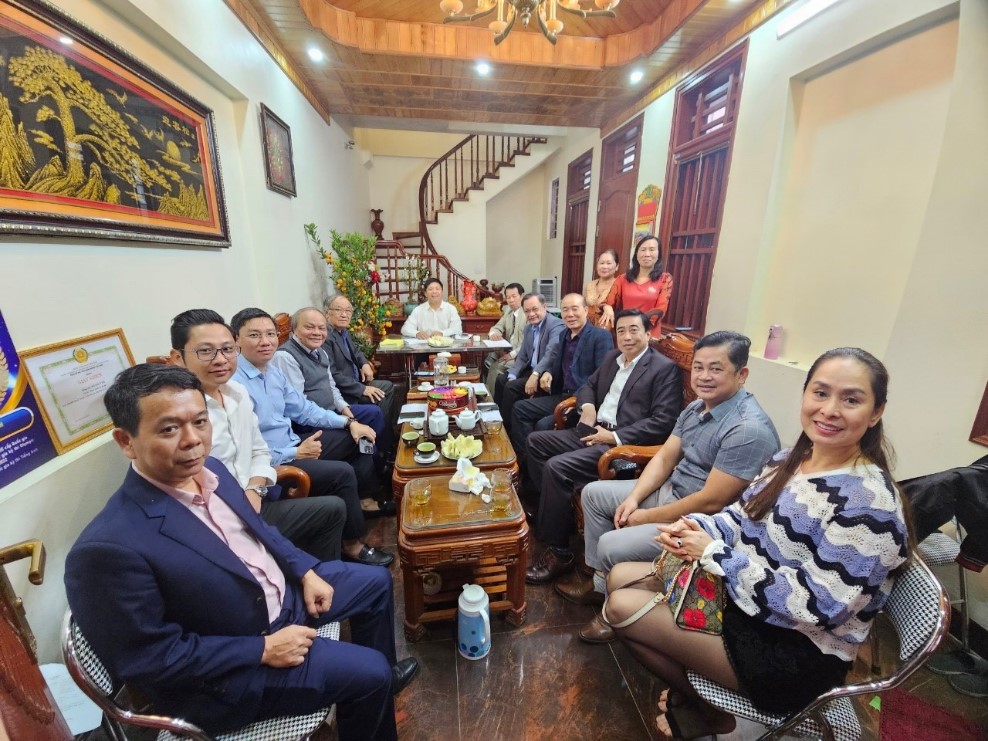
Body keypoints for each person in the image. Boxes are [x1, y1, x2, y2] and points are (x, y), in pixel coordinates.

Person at [64, 364, 418, 740]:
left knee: (375, 582)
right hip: (229, 674)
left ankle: (382, 686)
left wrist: (305, 571)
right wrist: (261, 649)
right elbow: (148, 659)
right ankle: (375, 685)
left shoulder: (211, 471)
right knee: (368, 673)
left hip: (279, 600)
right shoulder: (108, 548)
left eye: (200, 422)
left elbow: (262, 533)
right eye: (169, 429)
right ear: (126, 441)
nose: (192, 440)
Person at [604, 347, 910, 740]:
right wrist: (696, 527)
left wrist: (716, 554)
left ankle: (709, 713)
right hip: (752, 603)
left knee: (620, 607)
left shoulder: (870, 506)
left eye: (851, 400)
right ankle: (689, 691)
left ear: (876, 412)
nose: (830, 410)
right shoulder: (792, 459)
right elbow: (740, 517)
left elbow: (821, 606)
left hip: (795, 649)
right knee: (618, 576)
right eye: (820, 393)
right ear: (805, 395)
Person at [574, 330, 780, 644]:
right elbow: (665, 457)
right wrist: (634, 498)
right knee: (593, 494)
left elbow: (711, 502)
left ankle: (616, 611)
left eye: (716, 368)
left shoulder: (747, 429)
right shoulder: (697, 407)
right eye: (698, 367)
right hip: (672, 491)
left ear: (742, 375)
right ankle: (602, 587)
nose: (704, 376)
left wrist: (645, 517)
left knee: (610, 544)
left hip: (699, 522)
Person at [169, 309, 346, 561]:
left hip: (258, 490)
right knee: (334, 501)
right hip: (223, 521)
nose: (220, 359)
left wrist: (254, 490)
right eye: (206, 351)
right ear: (178, 357)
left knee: (335, 501)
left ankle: (317, 570)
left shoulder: (236, 392)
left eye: (227, 349)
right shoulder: (178, 416)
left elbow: (259, 449)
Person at [524, 310, 682, 586]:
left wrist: (614, 437)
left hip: (623, 449)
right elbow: (588, 385)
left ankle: (560, 552)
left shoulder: (663, 368)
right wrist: (587, 406)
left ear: (648, 334)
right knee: (535, 441)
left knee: (556, 467)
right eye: (621, 331)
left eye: (634, 330)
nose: (627, 336)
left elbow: (663, 422)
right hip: (593, 430)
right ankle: (554, 512)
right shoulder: (613, 358)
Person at [230, 307, 392, 567]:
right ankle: (352, 543)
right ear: (236, 339)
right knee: (342, 473)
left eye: (270, 334)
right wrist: (296, 452)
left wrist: (349, 422)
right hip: (276, 461)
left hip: (293, 444)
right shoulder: (234, 385)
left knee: (361, 439)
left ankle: (364, 498)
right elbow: (250, 451)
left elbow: (304, 407)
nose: (265, 341)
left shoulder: (271, 371)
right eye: (254, 335)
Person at [509, 293, 612, 455]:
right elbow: (557, 362)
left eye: (575, 309)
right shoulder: (565, 334)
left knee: (543, 425)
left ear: (585, 310)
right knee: (519, 408)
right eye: (565, 310)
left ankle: (535, 459)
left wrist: (578, 401)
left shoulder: (600, 336)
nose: (570, 314)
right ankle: (523, 459)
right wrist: (548, 372)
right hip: (561, 394)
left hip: (581, 401)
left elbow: (602, 377)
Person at [493, 292, 565, 435]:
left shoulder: (555, 324)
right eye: (527, 311)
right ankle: (496, 418)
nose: (531, 314)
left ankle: (506, 430)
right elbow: (522, 356)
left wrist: (536, 374)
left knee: (511, 388)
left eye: (535, 309)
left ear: (544, 307)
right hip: (530, 369)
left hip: (545, 373)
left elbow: (551, 353)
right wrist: (513, 374)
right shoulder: (529, 328)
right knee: (501, 380)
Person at [323, 295, 397, 428]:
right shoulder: (325, 337)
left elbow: (356, 351)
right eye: (338, 310)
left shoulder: (343, 331)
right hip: (345, 392)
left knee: (387, 387)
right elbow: (333, 375)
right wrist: (362, 389)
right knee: (384, 392)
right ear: (327, 313)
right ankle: (384, 435)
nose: (344, 315)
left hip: (356, 381)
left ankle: (391, 429)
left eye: (348, 311)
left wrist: (364, 364)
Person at [600, 234, 674, 339]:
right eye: (643, 250)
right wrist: (607, 307)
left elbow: (660, 310)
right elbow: (608, 302)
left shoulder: (665, 279)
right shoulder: (622, 279)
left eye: (652, 249)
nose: (647, 254)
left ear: (659, 254)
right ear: (636, 254)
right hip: (625, 333)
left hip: (648, 334)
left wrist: (636, 326)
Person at [484, 282, 526, 395]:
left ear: (522, 296)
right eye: (508, 297)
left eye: (514, 296)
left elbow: (529, 343)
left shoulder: (527, 313)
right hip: (507, 350)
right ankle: (485, 390)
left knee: (495, 367)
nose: (511, 300)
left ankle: (489, 399)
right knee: (488, 358)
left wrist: (511, 355)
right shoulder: (508, 311)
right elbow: (497, 327)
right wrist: (493, 333)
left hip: (521, 355)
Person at [584, 249, 619, 327]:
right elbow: (584, 307)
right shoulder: (590, 285)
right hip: (587, 326)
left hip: (608, 327)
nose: (604, 266)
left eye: (608, 263)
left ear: (617, 266)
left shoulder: (619, 285)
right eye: (601, 263)